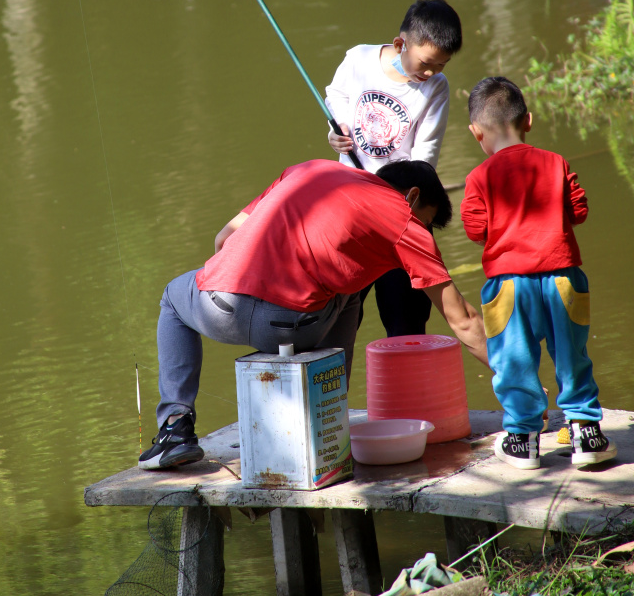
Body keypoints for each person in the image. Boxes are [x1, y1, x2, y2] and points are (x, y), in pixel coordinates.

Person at [139, 158, 488, 470]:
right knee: (350, 285)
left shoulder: (309, 169)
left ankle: (175, 427)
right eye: (426, 221)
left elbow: (223, 239)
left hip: (220, 309)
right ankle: (329, 420)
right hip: (293, 327)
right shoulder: (403, 219)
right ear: (412, 197)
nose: (422, 230)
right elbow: (464, 320)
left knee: (173, 299)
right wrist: (510, 379)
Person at [461, 76, 616, 471]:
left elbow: (475, 230)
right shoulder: (556, 162)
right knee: (572, 355)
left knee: (513, 361)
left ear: (476, 132)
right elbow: (579, 210)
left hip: (508, 285)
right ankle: (587, 434)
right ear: (527, 120)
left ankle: (522, 441)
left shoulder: (478, 177)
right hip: (563, 278)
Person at [325, 0, 463, 338]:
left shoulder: (436, 88)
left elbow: (424, 158)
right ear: (401, 44)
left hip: (401, 214)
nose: (431, 73)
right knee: (338, 318)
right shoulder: (358, 59)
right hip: (352, 209)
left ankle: (409, 369)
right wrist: (337, 130)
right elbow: (336, 97)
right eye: (426, 63)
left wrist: (400, 207)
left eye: (441, 65)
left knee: (406, 321)